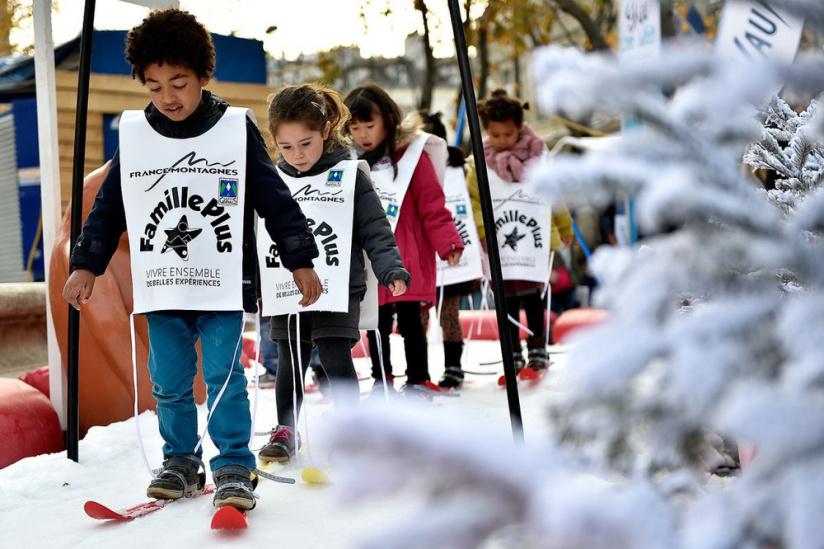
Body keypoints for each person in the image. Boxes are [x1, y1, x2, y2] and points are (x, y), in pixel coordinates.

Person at [61, 9, 322, 511]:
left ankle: (232, 466)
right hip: (164, 283)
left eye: (179, 83)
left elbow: (274, 199)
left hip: (221, 283)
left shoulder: (233, 129)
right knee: (170, 382)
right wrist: (85, 263)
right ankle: (180, 460)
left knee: (225, 376)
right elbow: (109, 206)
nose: (168, 97)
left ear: (204, 75)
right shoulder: (136, 135)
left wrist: (300, 259)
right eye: (155, 87)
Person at [257, 84, 410, 462]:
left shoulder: (350, 176)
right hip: (286, 285)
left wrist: (390, 266)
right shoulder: (275, 180)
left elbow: (375, 227)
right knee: (290, 356)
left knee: (335, 354)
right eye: (286, 147)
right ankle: (286, 428)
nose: (297, 155)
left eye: (305, 144)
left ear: (325, 131)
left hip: (339, 285)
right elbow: (257, 233)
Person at [344, 84, 464, 396]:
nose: (363, 134)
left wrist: (449, 242)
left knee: (412, 322)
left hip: (409, 254)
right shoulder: (349, 164)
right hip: (371, 260)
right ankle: (381, 380)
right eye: (354, 128)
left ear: (388, 119)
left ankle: (418, 379)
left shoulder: (412, 157)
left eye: (369, 125)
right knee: (376, 324)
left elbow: (432, 206)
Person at [468, 88, 574, 373]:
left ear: (520, 128)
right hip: (498, 243)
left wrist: (565, 227)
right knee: (507, 298)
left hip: (534, 240)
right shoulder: (478, 163)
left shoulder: (539, 157)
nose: (502, 141)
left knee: (533, 295)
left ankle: (538, 348)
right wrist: (482, 233)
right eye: (495, 135)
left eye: (508, 134)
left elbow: (554, 195)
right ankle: (512, 350)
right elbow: (474, 202)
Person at [419, 110, 482, 389]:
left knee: (448, 314)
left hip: (453, 255)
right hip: (420, 255)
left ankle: (453, 367)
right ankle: (418, 369)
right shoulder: (406, 167)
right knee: (418, 317)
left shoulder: (459, 166)